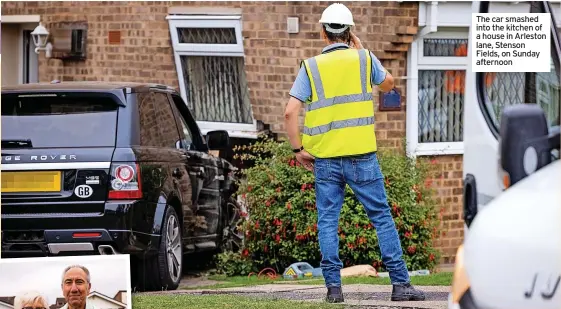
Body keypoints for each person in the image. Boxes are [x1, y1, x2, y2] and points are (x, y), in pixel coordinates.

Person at [283, 2, 426, 303]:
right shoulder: (364, 59)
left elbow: (290, 112)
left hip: (325, 160)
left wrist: (298, 150)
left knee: (327, 221)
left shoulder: (310, 67)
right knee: (382, 218)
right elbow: (389, 84)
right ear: (349, 32)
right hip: (362, 157)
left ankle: (334, 291)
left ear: (323, 32)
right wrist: (363, 50)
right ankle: (401, 285)